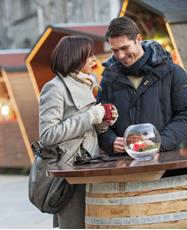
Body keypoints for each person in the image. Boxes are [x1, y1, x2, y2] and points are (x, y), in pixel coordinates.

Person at [39, 35, 118, 228]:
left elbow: (87, 130)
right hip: (70, 172)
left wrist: (103, 122)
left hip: (90, 166)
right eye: (89, 56)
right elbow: (47, 135)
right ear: (75, 57)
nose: (94, 60)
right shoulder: (55, 88)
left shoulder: (87, 83)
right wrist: (91, 116)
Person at [97, 16, 187, 155]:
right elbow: (99, 120)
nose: (120, 56)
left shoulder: (173, 73)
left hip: (164, 161)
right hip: (123, 166)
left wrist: (160, 142)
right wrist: (110, 141)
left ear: (138, 39)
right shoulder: (108, 79)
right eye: (115, 50)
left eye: (124, 48)